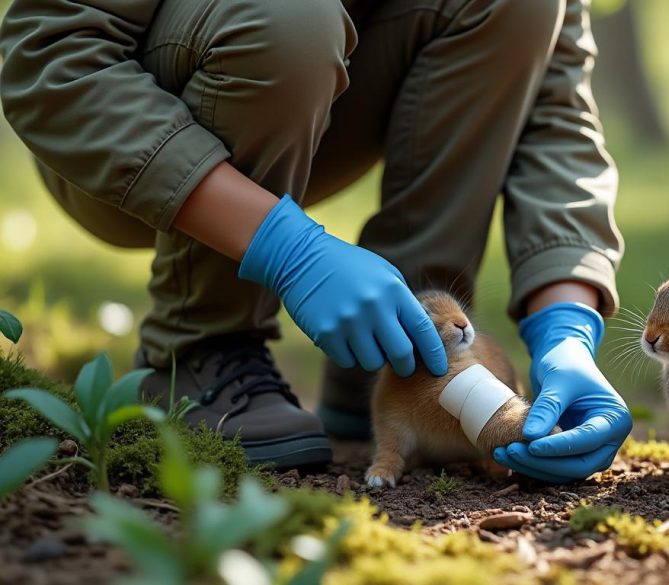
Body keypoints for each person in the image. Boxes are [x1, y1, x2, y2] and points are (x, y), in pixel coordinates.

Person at [0, 0, 631, 483]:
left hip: (326, 92)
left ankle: (400, 370)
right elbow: (50, 53)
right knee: (291, 16)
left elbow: (551, 99)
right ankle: (202, 343)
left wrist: (566, 325)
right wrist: (287, 248)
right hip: (124, 128)